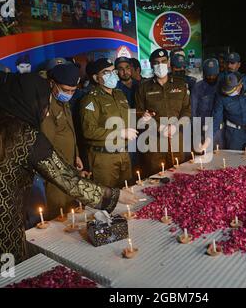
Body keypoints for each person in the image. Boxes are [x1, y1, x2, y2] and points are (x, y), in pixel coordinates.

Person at [0, 73, 138, 287]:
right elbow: (68, 180)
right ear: (31, 101)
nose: (47, 111)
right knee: (5, 278)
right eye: (44, 104)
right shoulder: (25, 135)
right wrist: (114, 195)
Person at [135, 49, 191, 177]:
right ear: (151, 65)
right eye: (156, 62)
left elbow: (186, 110)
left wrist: (176, 126)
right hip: (154, 142)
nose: (160, 65)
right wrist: (158, 127)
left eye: (163, 61)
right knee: (156, 177)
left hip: (176, 138)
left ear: (169, 63)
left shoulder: (181, 85)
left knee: (179, 175)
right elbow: (138, 113)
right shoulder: (143, 88)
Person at [80, 58, 135, 188]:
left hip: (124, 154)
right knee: (107, 199)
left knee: (128, 193)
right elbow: (89, 131)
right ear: (95, 77)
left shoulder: (120, 94)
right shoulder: (90, 99)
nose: (112, 75)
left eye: (113, 71)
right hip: (104, 158)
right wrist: (120, 133)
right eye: (106, 72)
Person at [41, 63, 85, 220]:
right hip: (56, 172)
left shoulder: (63, 102)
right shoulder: (46, 106)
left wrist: (76, 154)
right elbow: (46, 144)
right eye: (66, 90)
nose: (70, 94)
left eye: (73, 91)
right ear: (52, 83)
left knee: (72, 210)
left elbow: (69, 131)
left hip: (69, 166)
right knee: (59, 215)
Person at [191, 58, 224, 148]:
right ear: (204, 74)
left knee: (220, 157)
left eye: (214, 75)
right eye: (208, 75)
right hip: (202, 129)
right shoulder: (197, 87)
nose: (211, 77)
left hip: (219, 131)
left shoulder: (222, 86)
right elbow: (193, 112)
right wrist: (196, 134)